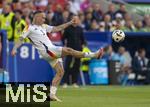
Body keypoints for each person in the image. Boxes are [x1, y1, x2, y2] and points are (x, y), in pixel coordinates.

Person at [11, 11, 104, 102]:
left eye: (44, 17)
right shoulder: (29, 27)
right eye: (42, 17)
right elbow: (20, 39)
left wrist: (70, 22)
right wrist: (15, 48)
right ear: (37, 17)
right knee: (69, 50)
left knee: (60, 72)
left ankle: (51, 94)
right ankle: (94, 55)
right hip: (48, 51)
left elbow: (57, 28)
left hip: (50, 51)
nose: (44, 19)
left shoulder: (44, 27)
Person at [62, 15, 85, 88]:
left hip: (78, 50)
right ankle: (65, 82)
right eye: (73, 19)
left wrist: (82, 46)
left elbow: (83, 39)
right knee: (67, 66)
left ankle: (74, 82)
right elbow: (63, 38)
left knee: (76, 66)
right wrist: (65, 46)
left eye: (76, 19)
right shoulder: (68, 29)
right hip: (69, 50)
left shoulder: (80, 29)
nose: (75, 21)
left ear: (78, 21)